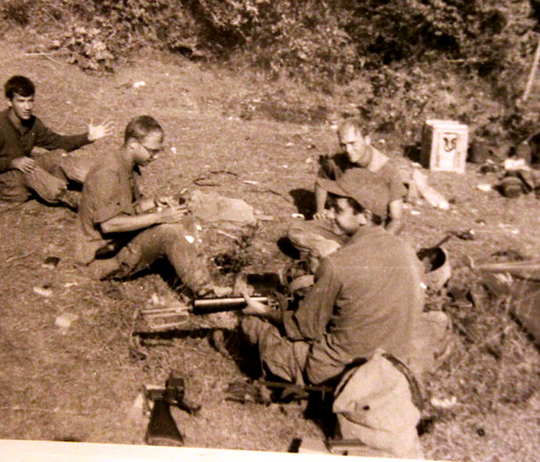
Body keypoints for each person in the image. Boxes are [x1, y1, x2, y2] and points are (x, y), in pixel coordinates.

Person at [240, 168, 424, 457]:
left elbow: (302, 329)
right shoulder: (407, 252)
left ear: (363, 215)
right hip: (395, 368)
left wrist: (264, 311)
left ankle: (309, 392)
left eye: (338, 209)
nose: (330, 214)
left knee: (252, 326)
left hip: (339, 371)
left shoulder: (337, 263)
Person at [75, 115, 229, 297]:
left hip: (118, 243)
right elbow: (109, 225)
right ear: (133, 143)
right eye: (152, 151)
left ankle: (198, 270)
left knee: (183, 218)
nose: (155, 157)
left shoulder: (124, 164)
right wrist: (159, 217)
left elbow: (129, 208)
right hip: (101, 260)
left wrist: (156, 202)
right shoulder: (108, 173)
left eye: (159, 151)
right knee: (170, 232)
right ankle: (206, 293)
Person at [287, 117, 407, 272]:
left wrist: (376, 246)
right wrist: (320, 209)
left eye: (353, 143)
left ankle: (338, 257)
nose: (348, 150)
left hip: (368, 233)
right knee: (295, 231)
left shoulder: (388, 170)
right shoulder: (337, 162)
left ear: (367, 140)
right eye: (343, 145)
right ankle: (340, 254)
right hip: (342, 225)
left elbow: (397, 220)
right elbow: (321, 180)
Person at [0, 75, 113, 207]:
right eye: (21, 101)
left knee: (58, 155)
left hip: (22, 171)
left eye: (30, 100)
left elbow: (58, 142)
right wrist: (12, 162)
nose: (27, 107)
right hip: (0, 180)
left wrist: (87, 137)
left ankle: (107, 180)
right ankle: (73, 199)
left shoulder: (33, 123)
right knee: (30, 168)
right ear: (9, 101)